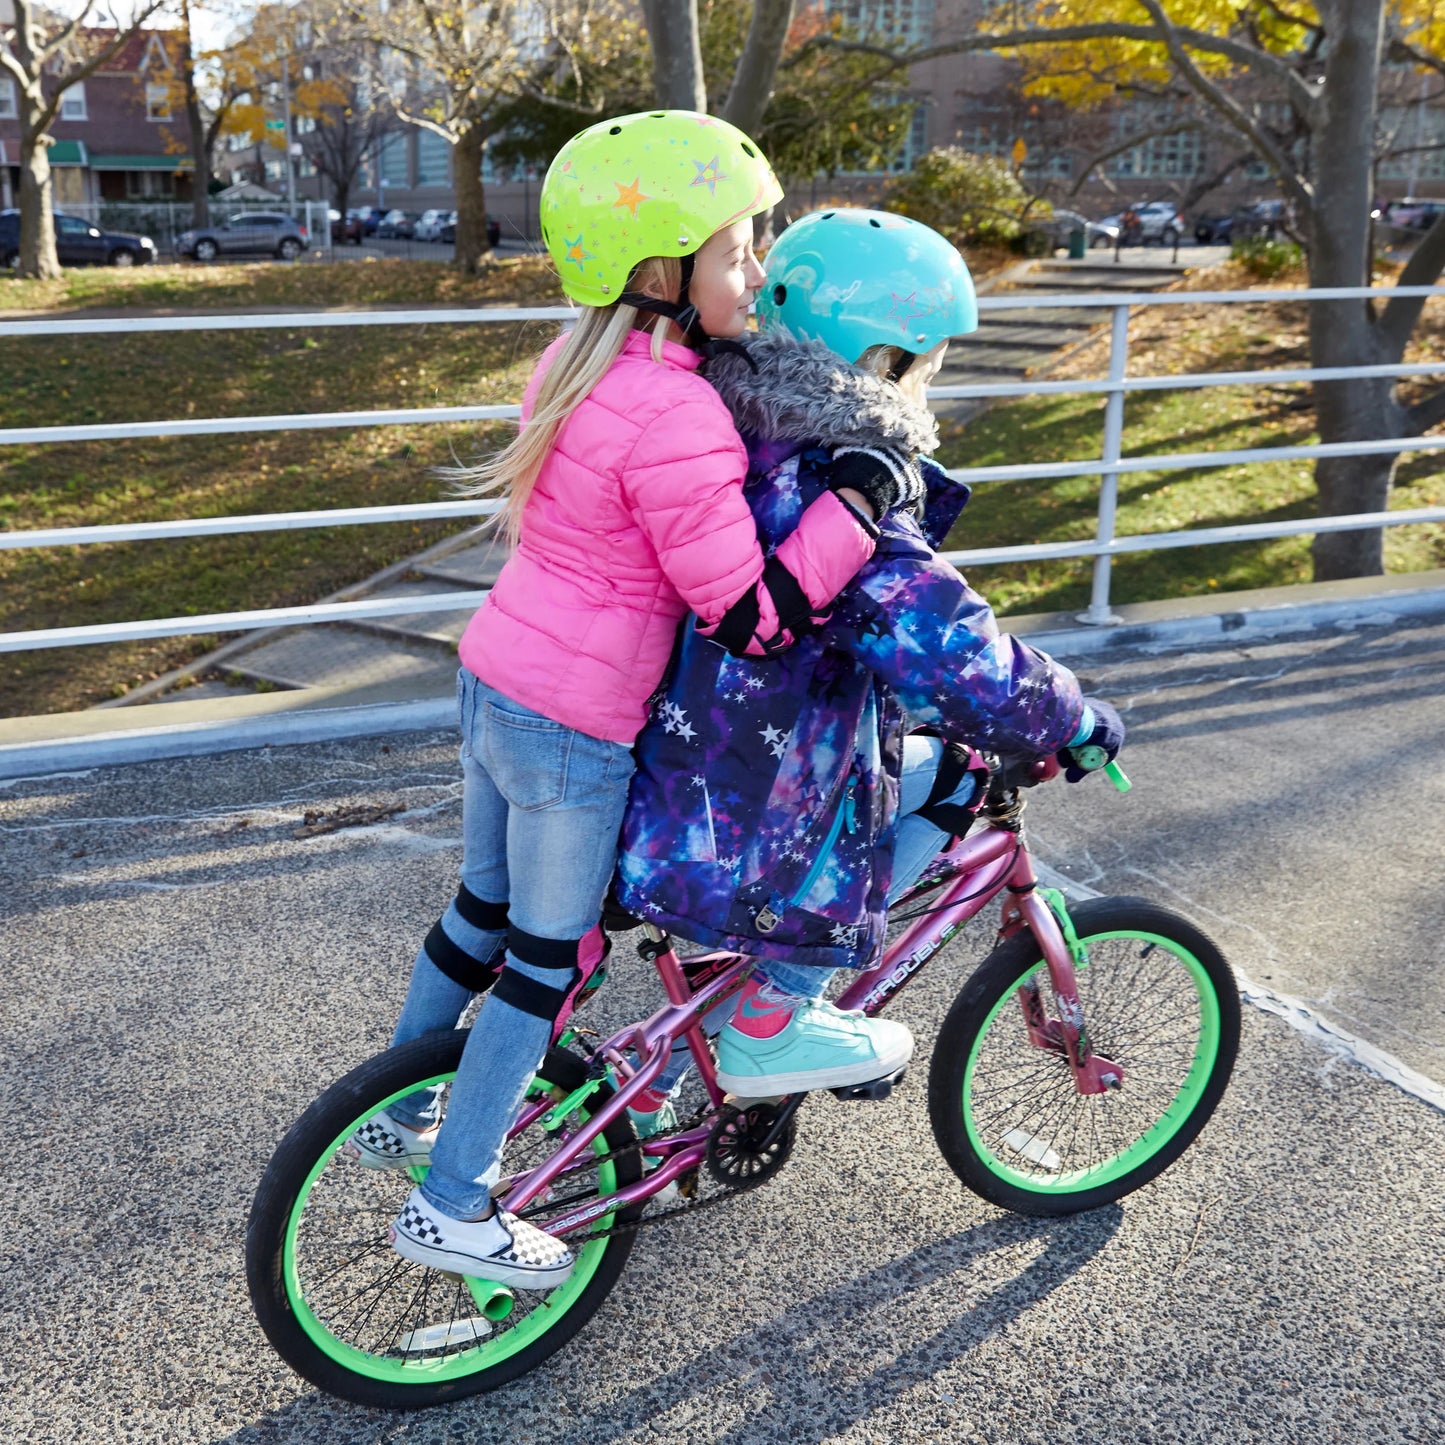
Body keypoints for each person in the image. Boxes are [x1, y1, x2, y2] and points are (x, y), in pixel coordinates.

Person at [344, 118, 920, 1291]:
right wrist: (857, 500)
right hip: (574, 724)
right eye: (738, 250)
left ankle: (397, 1107)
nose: (754, 274)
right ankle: (453, 1201)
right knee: (546, 964)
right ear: (662, 270)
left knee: (477, 913)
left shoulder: (572, 361)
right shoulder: (679, 417)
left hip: (496, 674)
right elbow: (754, 614)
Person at [613, 207, 1124, 1112]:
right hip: (753, 810)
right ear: (881, 358)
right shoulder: (848, 482)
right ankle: (775, 1015)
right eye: (928, 360)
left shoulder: (740, 424)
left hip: (688, 774)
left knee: (948, 770)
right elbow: (952, 650)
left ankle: (745, 1001)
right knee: (905, 782)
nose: (932, 381)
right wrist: (1074, 717)